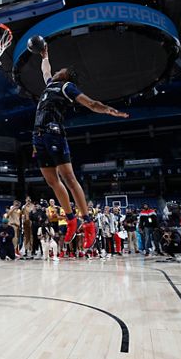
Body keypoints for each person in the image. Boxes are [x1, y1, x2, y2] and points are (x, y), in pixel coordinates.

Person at [33, 44, 129, 246]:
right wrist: (45, 55)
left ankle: (88, 222)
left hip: (54, 133)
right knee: (52, 181)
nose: (58, 70)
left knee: (68, 177)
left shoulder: (67, 87)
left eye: (62, 70)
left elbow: (91, 103)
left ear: (66, 76)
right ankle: (71, 219)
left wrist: (109, 110)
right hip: (38, 136)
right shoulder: (50, 84)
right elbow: (46, 70)